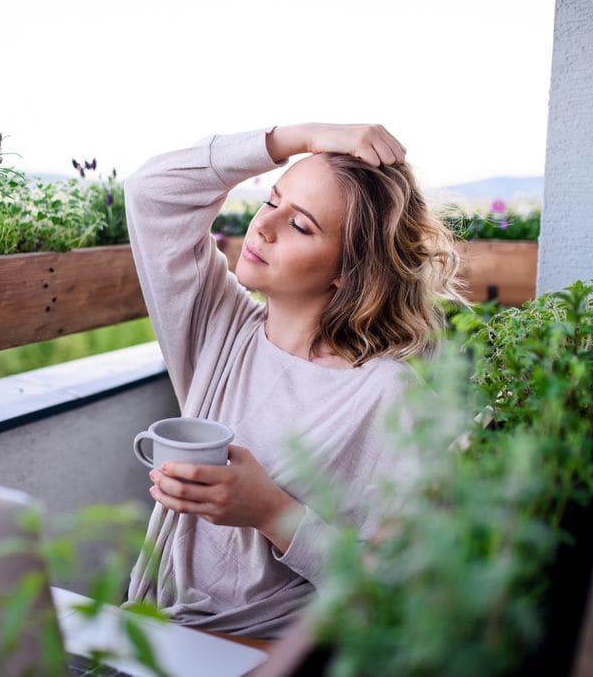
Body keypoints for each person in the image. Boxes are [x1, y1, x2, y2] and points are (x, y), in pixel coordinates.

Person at [122, 123, 464, 640]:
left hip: (268, 652)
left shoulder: (390, 397)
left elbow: (400, 596)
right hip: (156, 635)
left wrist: (272, 513)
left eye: (301, 225)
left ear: (347, 270)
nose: (263, 227)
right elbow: (152, 194)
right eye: (271, 201)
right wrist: (301, 137)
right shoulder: (220, 330)